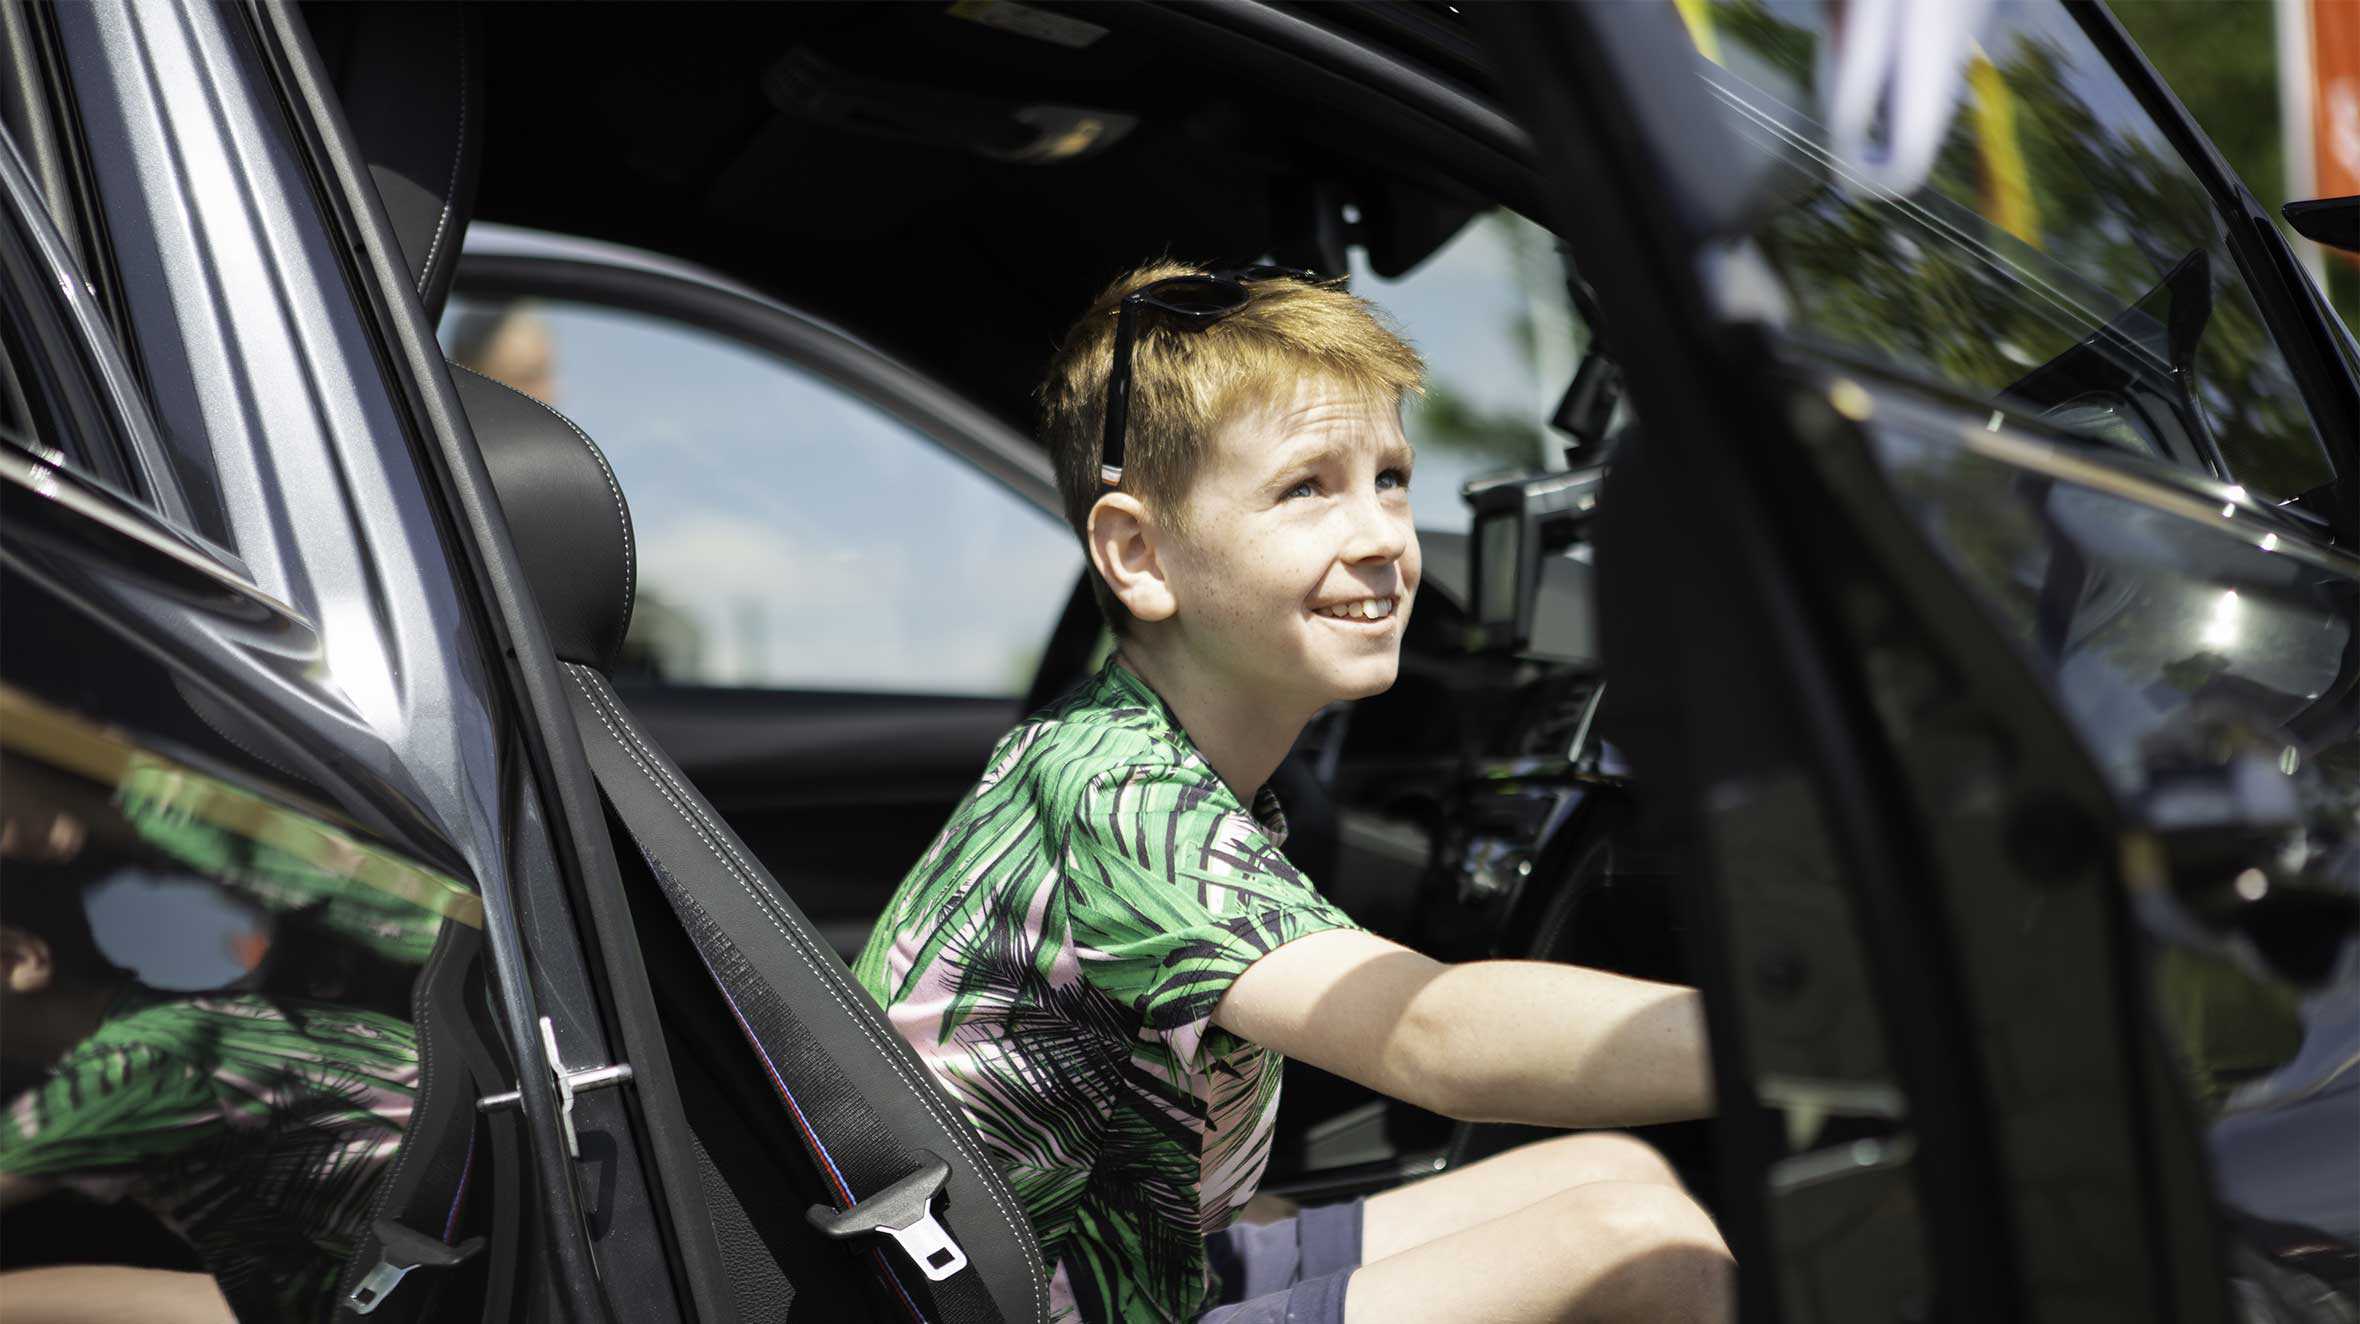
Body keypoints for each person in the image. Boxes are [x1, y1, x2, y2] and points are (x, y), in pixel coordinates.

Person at [852, 262, 1733, 1324]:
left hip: (1113, 1277)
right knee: (1639, 1248)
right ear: (1137, 553)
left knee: (1612, 1172)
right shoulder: (1120, 793)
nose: (1380, 539)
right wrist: (1806, 1044)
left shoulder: (1142, 749)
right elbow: (1434, 1036)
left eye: (1390, 477)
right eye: (1306, 487)